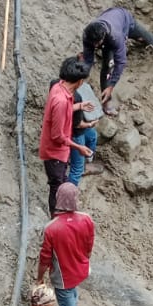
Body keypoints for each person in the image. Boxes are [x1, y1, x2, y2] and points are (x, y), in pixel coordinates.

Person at [37, 184, 95, 306]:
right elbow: (89, 245)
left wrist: (39, 278)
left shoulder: (52, 228)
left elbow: (45, 257)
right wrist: (83, 260)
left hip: (63, 277)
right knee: (72, 298)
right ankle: (73, 301)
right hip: (81, 269)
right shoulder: (86, 219)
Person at [80, 8, 153, 114]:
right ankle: (106, 101)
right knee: (107, 66)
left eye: (97, 44)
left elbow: (121, 62)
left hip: (126, 20)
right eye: (93, 44)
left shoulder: (115, 36)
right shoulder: (87, 35)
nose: (95, 46)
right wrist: (81, 76)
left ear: (103, 36)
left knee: (151, 41)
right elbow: (88, 59)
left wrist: (111, 85)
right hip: (111, 18)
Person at [38, 59, 88, 215]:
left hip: (56, 151)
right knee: (56, 187)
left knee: (59, 181)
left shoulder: (58, 88)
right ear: (79, 82)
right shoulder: (61, 101)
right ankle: (56, 217)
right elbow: (58, 135)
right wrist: (78, 147)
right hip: (55, 153)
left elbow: (62, 111)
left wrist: (79, 106)